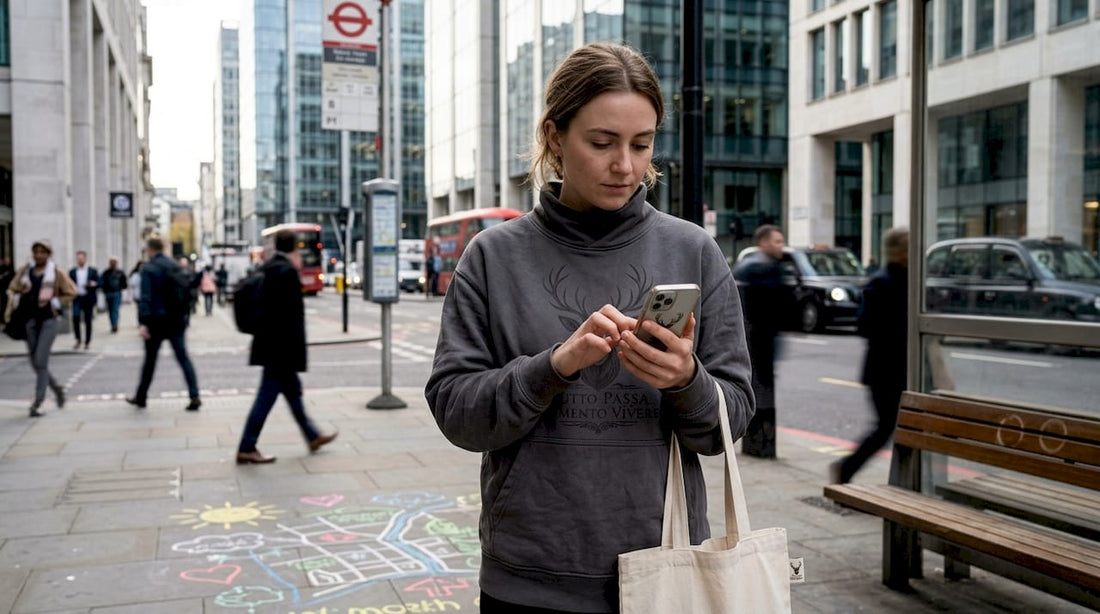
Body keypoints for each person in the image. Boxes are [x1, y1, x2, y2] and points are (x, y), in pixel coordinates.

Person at [425, 43, 754, 613]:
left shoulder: (693, 251)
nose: (624, 165)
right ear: (555, 137)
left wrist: (685, 380)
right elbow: (457, 412)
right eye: (602, 143)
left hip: (666, 567)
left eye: (641, 144)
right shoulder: (492, 257)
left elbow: (732, 418)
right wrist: (553, 367)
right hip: (529, 578)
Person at [236, 229, 337, 464]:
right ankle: (246, 446)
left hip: (271, 345)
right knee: (266, 397)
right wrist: (296, 353)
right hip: (280, 350)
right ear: (295, 248)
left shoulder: (269, 267)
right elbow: (291, 318)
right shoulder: (286, 272)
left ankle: (313, 435)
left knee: (293, 393)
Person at [831, 228, 909, 484]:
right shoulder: (883, 281)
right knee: (887, 427)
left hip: (898, 368)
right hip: (886, 370)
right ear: (900, 249)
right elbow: (864, 325)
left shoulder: (905, 277)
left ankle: (903, 481)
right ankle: (846, 468)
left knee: (900, 428)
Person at [732, 224, 790, 458]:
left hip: (750, 342)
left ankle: (754, 443)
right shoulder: (763, 268)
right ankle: (761, 445)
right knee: (762, 389)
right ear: (763, 242)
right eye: (776, 241)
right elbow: (776, 308)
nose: (780, 246)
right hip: (761, 343)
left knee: (756, 386)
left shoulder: (746, 267)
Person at [126, 237, 201, 411]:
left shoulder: (149, 268)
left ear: (150, 250)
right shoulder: (176, 266)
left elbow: (146, 298)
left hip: (156, 321)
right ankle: (194, 394)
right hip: (176, 319)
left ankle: (141, 396)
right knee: (183, 358)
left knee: (150, 360)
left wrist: (143, 322)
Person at [8, 240, 77, 416]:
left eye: (43, 252)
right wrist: (19, 289)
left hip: (49, 321)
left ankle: (37, 403)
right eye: (36, 252)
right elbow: (13, 287)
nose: (39, 255)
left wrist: (57, 301)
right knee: (36, 363)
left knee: (40, 360)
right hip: (30, 320)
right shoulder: (26, 271)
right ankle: (58, 389)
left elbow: (71, 292)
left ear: (48, 254)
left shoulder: (56, 272)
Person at [69, 250, 100, 350]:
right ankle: (78, 339)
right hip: (77, 298)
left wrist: (93, 284)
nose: (80, 260)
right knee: (76, 317)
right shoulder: (72, 272)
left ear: (85, 259)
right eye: (78, 259)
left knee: (88, 321)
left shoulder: (92, 271)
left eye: (82, 258)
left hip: (88, 298)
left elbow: (99, 283)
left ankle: (87, 342)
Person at [100, 257, 128, 333]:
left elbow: (124, 283)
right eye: (112, 262)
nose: (113, 264)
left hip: (117, 293)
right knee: (110, 310)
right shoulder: (106, 272)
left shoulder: (120, 272)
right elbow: (101, 282)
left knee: (115, 309)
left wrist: (123, 287)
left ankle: (115, 325)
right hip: (108, 293)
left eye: (114, 262)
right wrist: (103, 288)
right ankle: (112, 324)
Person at [0, 257, 15, 322]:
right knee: (3, 304)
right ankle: (2, 318)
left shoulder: (11, 269)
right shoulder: (2, 268)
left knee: (9, 304)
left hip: (9, 289)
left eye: (8, 260)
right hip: (2, 289)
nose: (7, 262)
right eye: (6, 260)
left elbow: (13, 277)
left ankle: (7, 317)